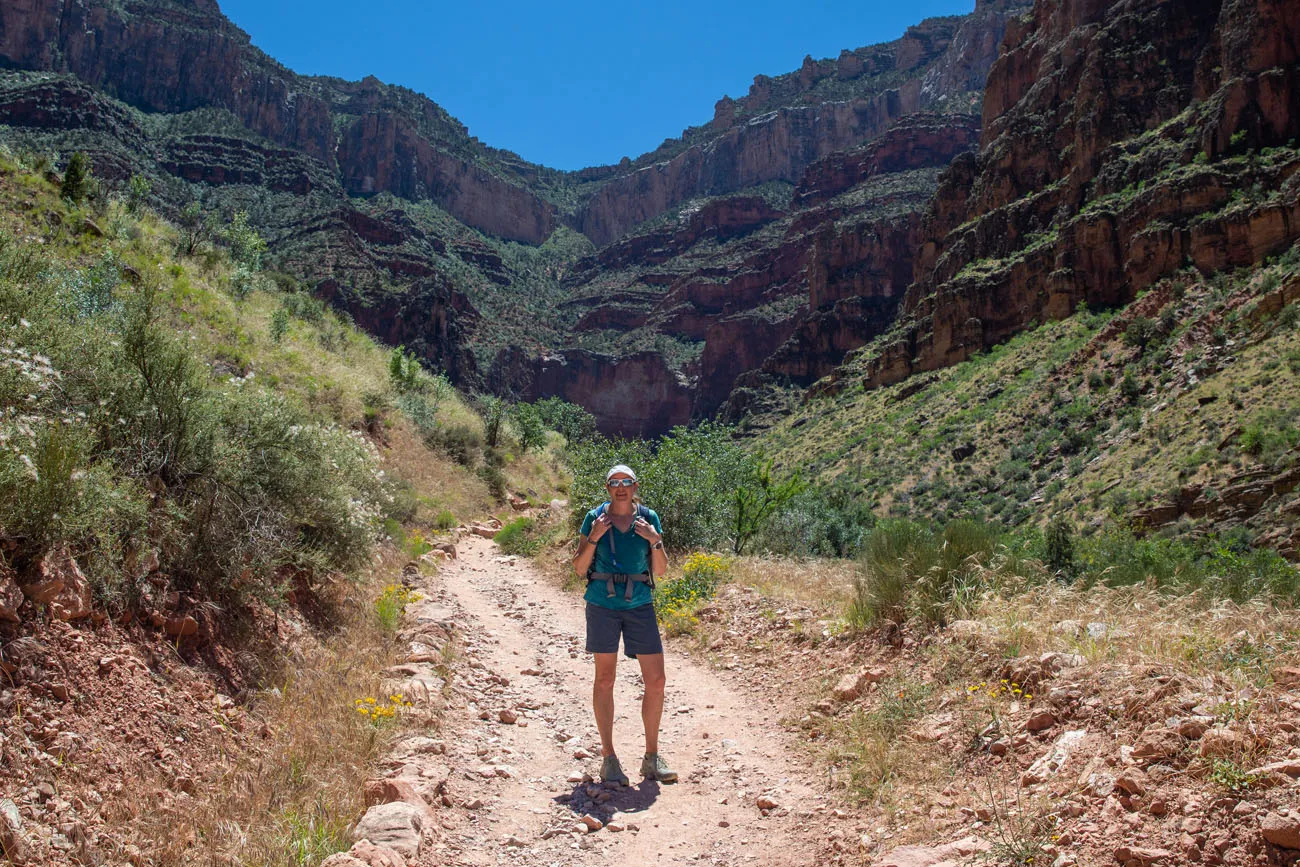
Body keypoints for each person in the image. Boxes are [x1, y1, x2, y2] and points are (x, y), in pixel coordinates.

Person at [572, 464, 677, 786]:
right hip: (602, 604)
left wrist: (655, 540)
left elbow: (660, 570)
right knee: (604, 679)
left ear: (635, 486)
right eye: (614, 483)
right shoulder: (595, 518)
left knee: (656, 680)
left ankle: (651, 757)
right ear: (607, 488)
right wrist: (594, 537)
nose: (620, 487)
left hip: (640, 604)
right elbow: (578, 568)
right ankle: (609, 758)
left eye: (626, 482)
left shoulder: (649, 518)